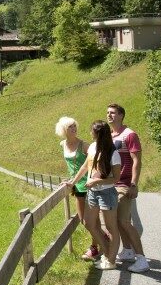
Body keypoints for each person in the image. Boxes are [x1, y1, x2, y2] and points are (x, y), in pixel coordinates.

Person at [67, 120, 122, 270]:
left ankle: (110, 261)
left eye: (92, 131)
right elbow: (86, 166)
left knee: (111, 228)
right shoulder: (92, 147)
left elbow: (115, 178)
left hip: (106, 193)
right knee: (89, 223)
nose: (90, 133)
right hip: (92, 192)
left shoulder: (112, 152)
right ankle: (106, 252)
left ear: (97, 133)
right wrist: (73, 182)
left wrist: (97, 182)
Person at [108, 103, 149, 273]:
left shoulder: (129, 135)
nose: (109, 115)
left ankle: (141, 259)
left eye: (113, 113)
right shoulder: (110, 136)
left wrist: (134, 184)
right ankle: (127, 251)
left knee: (124, 221)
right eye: (108, 113)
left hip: (124, 184)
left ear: (121, 115)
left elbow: (137, 160)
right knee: (117, 221)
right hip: (112, 184)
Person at [55, 116, 101, 261]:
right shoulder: (63, 144)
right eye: (70, 127)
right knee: (83, 219)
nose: (74, 129)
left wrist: (94, 177)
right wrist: (70, 180)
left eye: (75, 126)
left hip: (88, 185)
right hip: (76, 185)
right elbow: (71, 166)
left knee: (92, 220)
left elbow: (95, 161)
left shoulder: (84, 145)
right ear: (64, 130)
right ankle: (103, 237)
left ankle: (95, 247)